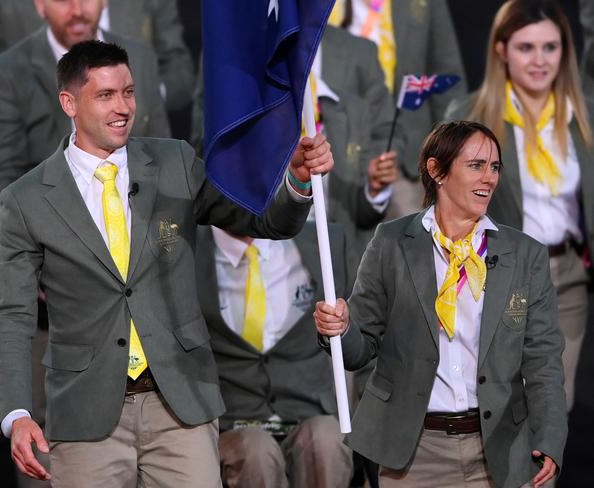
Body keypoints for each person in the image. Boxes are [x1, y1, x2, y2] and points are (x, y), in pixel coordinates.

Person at [0, 40, 334, 486]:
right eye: (106, 95)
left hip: (180, 404)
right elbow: (11, 315)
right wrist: (16, 413)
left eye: (129, 92)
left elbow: (260, 219)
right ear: (69, 103)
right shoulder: (26, 199)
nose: (123, 107)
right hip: (85, 414)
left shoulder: (175, 162)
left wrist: (296, 181)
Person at [315, 121, 567, 488]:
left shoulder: (526, 255)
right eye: (476, 165)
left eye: (494, 166)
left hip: (499, 449)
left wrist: (549, 439)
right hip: (414, 454)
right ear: (437, 171)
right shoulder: (391, 242)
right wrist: (339, 329)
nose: (490, 178)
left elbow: (544, 363)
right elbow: (359, 348)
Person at [446, 0, 593, 412]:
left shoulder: (582, 117)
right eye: (526, 47)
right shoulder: (469, 117)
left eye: (550, 47)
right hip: (496, 275)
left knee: (553, 405)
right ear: (501, 50)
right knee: (499, 405)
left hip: (566, 280)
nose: (540, 60)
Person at [192, 24, 399, 271]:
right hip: (256, 253)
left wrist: (374, 189)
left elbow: (362, 208)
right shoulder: (228, 52)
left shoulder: (351, 99)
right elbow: (206, 152)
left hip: (332, 258)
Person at [0, 0, 171, 232]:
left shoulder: (140, 59)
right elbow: (3, 182)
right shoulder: (4, 75)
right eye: (62, 0)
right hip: (50, 239)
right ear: (40, 5)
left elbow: (162, 159)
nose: (77, 10)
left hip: (140, 232)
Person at [194, 222, 353, 487]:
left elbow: (362, 336)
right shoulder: (187, 247)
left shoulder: (326, 241)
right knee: (255, 452)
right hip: (233, 419)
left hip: (308, 408)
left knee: (327, 439)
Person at [345, 0, 467, 218]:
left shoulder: (426, 4)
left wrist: (450, 152)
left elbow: (446, 80)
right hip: (334, 152)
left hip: (406, 162)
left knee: (411, 247)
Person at [0, 0, 194, 112]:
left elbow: (180, 71)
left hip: (136, 156)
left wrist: (141, 97)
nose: (76, 9)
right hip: (39, 161)